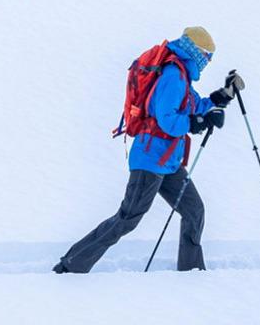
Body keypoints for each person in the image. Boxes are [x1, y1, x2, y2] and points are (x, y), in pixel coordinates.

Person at [55, 26, 242, 273]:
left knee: (194, 210)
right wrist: (198, 123)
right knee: (128, 218)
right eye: (207, 56)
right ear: (196, 52)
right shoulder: (173, 75)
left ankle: (192, 272)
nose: (207, 62)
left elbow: (195, 105)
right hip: (150, 159)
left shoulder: (182, 77)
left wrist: (224, 96)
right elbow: (167, 119)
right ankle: (72, 265)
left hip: (169, 162)